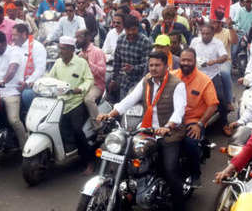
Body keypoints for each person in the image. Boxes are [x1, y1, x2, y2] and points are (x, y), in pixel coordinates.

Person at [98, 51, 187, 208]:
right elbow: (130, 100)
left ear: (166, 66)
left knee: (169, 170)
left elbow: (179, 110)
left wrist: (168, 126)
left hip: (169, 133)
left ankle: (179, 206)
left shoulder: (177, 84)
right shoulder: (146, 80)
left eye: (157, 65)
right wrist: (110, 114)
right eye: (151, 65)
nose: (153, 68)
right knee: (126, 158)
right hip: (146, 130)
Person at [48, 36, 94, 174]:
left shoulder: (81, 63)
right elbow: (50, 78)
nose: (60, 51)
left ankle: (89, 163)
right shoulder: (57, 63)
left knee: (77, 130)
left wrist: (81, 89)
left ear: (72, 49)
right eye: (60, 48)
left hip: (75, 102)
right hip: (58, 102)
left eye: (63, 49)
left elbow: (89, 79)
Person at [174, 47, 219, 188]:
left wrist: (199, 124)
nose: (186, 63)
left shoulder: (204, 80)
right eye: (183, 60)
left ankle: (195, 174)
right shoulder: (171, 76)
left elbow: (213, 105)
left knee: (190, 142)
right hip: (172, 121)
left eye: (189, 60)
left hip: (192, 122)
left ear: (194, 62)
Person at [190, 23, 230, 136]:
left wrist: (215, 61)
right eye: (203, 33)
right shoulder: (195, 41)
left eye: (208, 34)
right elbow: (189, 53)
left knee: (220, 98)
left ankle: (224, 123)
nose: (205, 36)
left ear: (213, 34)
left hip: (212, 75)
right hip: (197, 74)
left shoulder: (218, 43)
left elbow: (224, 56)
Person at [111, 15, 153, 98]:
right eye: (127, 30)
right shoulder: (120, 40)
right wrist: (114, 79)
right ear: (124, 29)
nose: (130, 32)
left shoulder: (145, 42)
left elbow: (147, 66)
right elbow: (116, 62)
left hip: (140, 82)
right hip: (124, 81)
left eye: (133, 29)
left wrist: (133, 68)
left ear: (138, 28)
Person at [11, 24, 47, 112]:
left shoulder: (37, 47)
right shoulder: (13, 47)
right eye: (12, 35)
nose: (12, 38)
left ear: (23, 34)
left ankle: (29, 116)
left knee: (27, 94)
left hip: (31, 84)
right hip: (14, 84)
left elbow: (40, 69)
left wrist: (26, 83)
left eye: (15, 35)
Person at [76, 29, 106, 129]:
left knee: (88, 99)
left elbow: (102, 72)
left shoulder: (97, 51)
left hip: (96, 85)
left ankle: (99, 127)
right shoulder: (80, 54)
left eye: (79, 37)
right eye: (76, 37)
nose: (77, 40)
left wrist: (88, 63)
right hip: (85, 84)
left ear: (88, 37)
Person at [211, 11, 238, 112]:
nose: (214, 25)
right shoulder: (207, 32)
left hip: (224, 61)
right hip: (209, 62)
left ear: (220, 23)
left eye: (216, 22)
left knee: (224, 73)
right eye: (212, 22)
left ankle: (229, 101)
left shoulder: (226, 32)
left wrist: (230, 27)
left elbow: (235, 41)